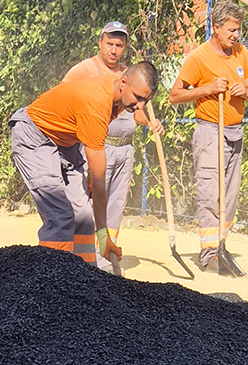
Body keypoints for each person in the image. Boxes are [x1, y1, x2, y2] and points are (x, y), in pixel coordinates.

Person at [11, 62, 159, 265]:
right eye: (138, 97)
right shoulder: (96, 105)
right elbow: (99, 182)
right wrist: (103, 235)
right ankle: (52, 278)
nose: (140, 106)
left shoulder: (116, 93)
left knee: (83, 216)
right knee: (60, 215)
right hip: (34, 135)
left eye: (146, 100)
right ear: (123, 82)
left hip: (65, 141)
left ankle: (86, 276)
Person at [168, 1, 248, 271]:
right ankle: (208, 255)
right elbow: (175, 95)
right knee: (210, 193)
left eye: (238, 30)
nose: (236, 35)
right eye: (231, 30)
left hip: (235, 131)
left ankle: (221, 246)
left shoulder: (241, 52)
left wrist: (245, 91)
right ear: (216, 27)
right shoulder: (198, 57)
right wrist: (207, 89)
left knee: (230, 195)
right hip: (210, 131)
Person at [63, 20, 162, 267]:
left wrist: (150, 122)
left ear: (125, 47)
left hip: (124, 149)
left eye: (119, 45)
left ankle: (108, 256)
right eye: (109, 44)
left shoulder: (131, 75)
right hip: (97, 146)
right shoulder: (84, 70)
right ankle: (84, 258)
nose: (114, 50)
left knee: (116, 204)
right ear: (100, 42)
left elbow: (137, 113)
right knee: (91, 200)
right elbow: (64, 98)